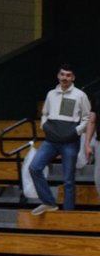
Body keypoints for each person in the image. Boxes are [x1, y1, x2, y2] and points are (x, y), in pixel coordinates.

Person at [29, 63, 92, 214]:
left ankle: (68, 214)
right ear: (58, 75)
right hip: (51, 141)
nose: (65, 78)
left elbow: (87, 117)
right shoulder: (51, 94)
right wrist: (44, 126)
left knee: (68, 179)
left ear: (73, 77)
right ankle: (49, 202)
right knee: (34, 167)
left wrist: (76, 131)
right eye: (62, 74)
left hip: (70, 142)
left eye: (68, 75)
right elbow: (44, 113)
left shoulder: (80, 95)